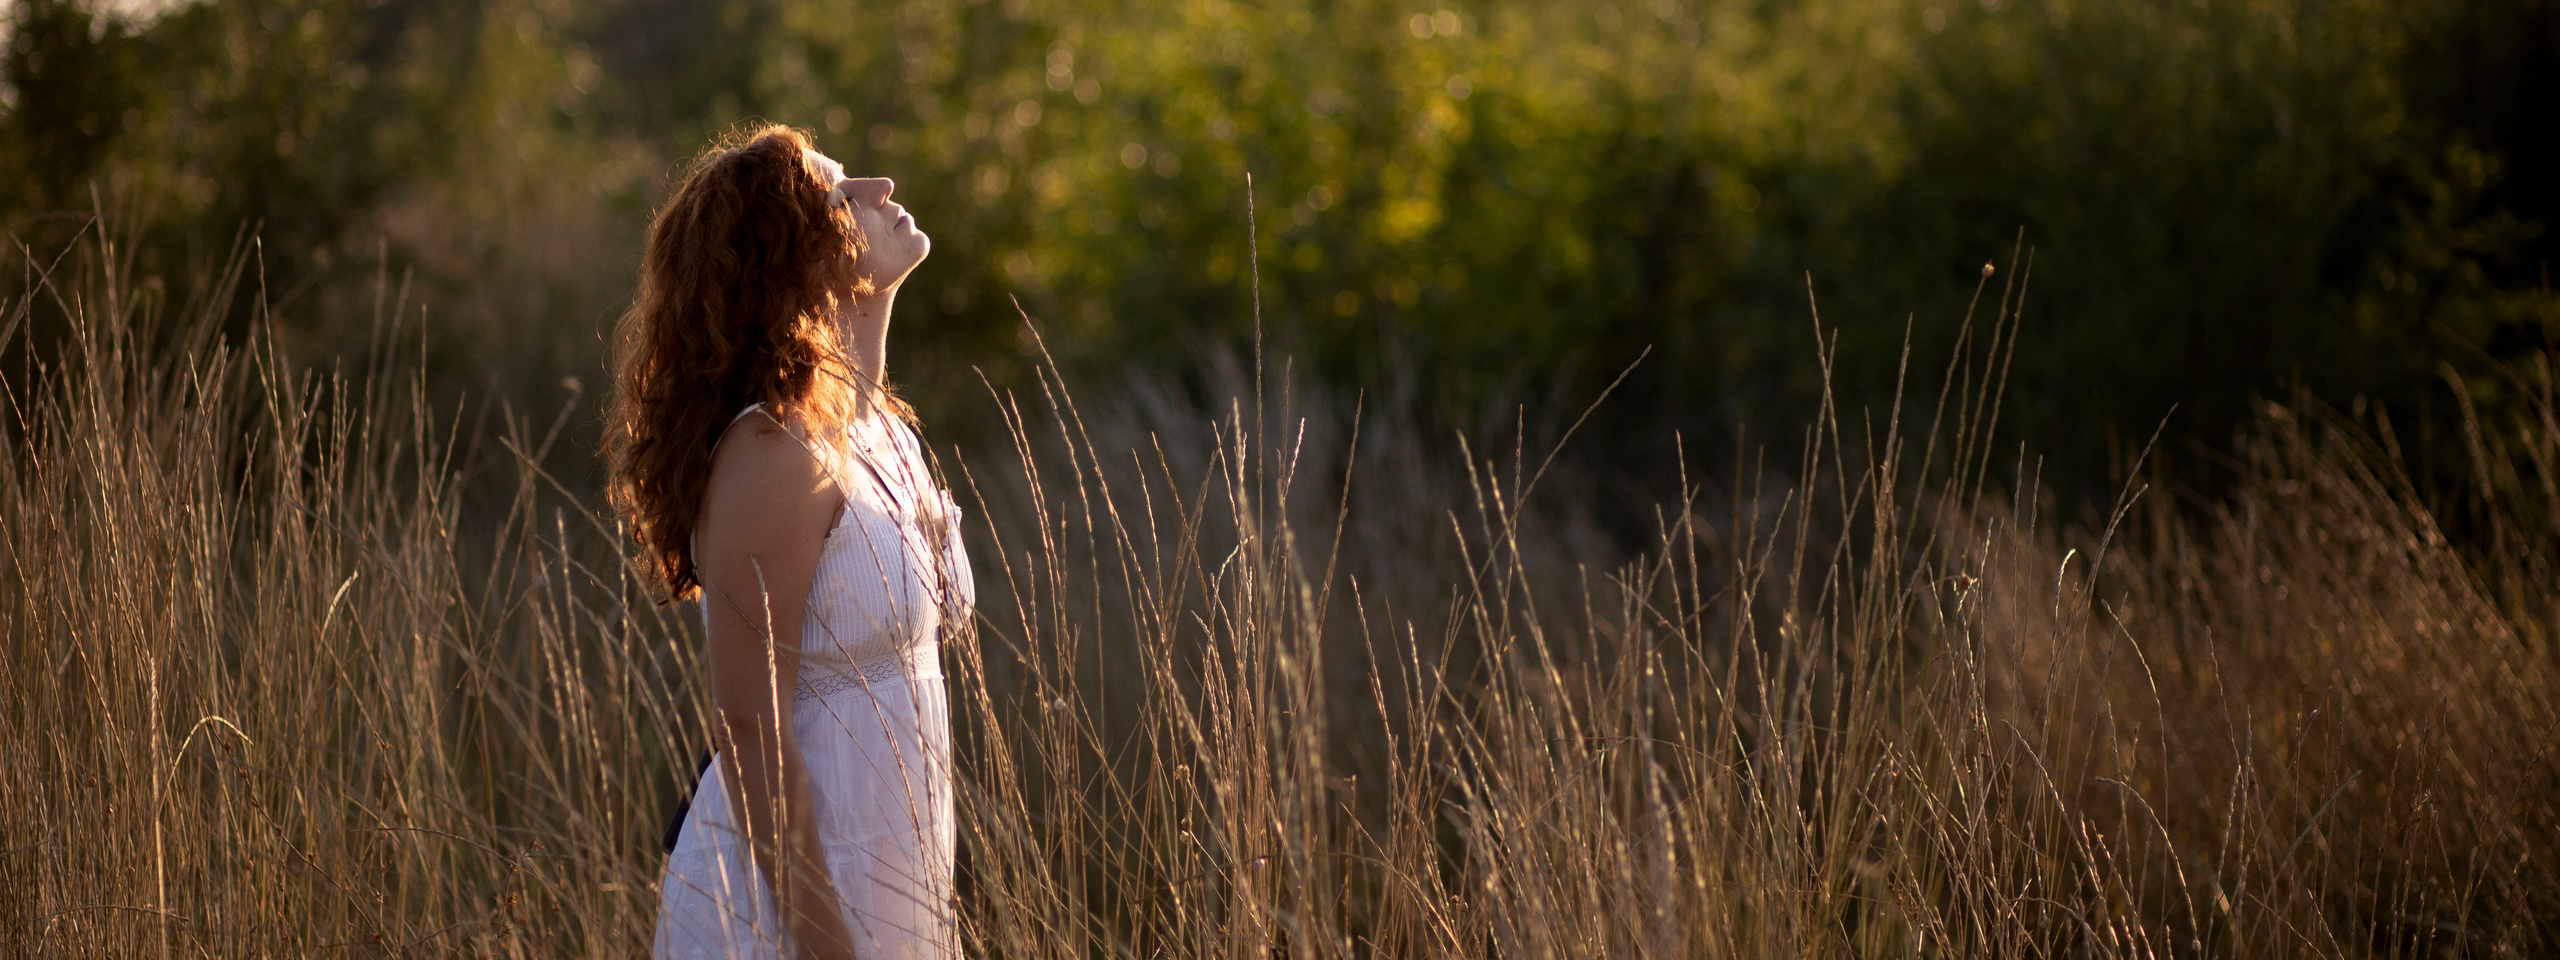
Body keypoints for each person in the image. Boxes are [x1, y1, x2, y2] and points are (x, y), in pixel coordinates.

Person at [604, 124, 970, 960]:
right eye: (841, 194)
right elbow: (749, 723)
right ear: (796, 261)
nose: (879, 186)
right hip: (791, 905)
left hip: (887, 865)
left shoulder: (874, 433)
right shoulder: (773, 452)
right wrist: (822, 941)